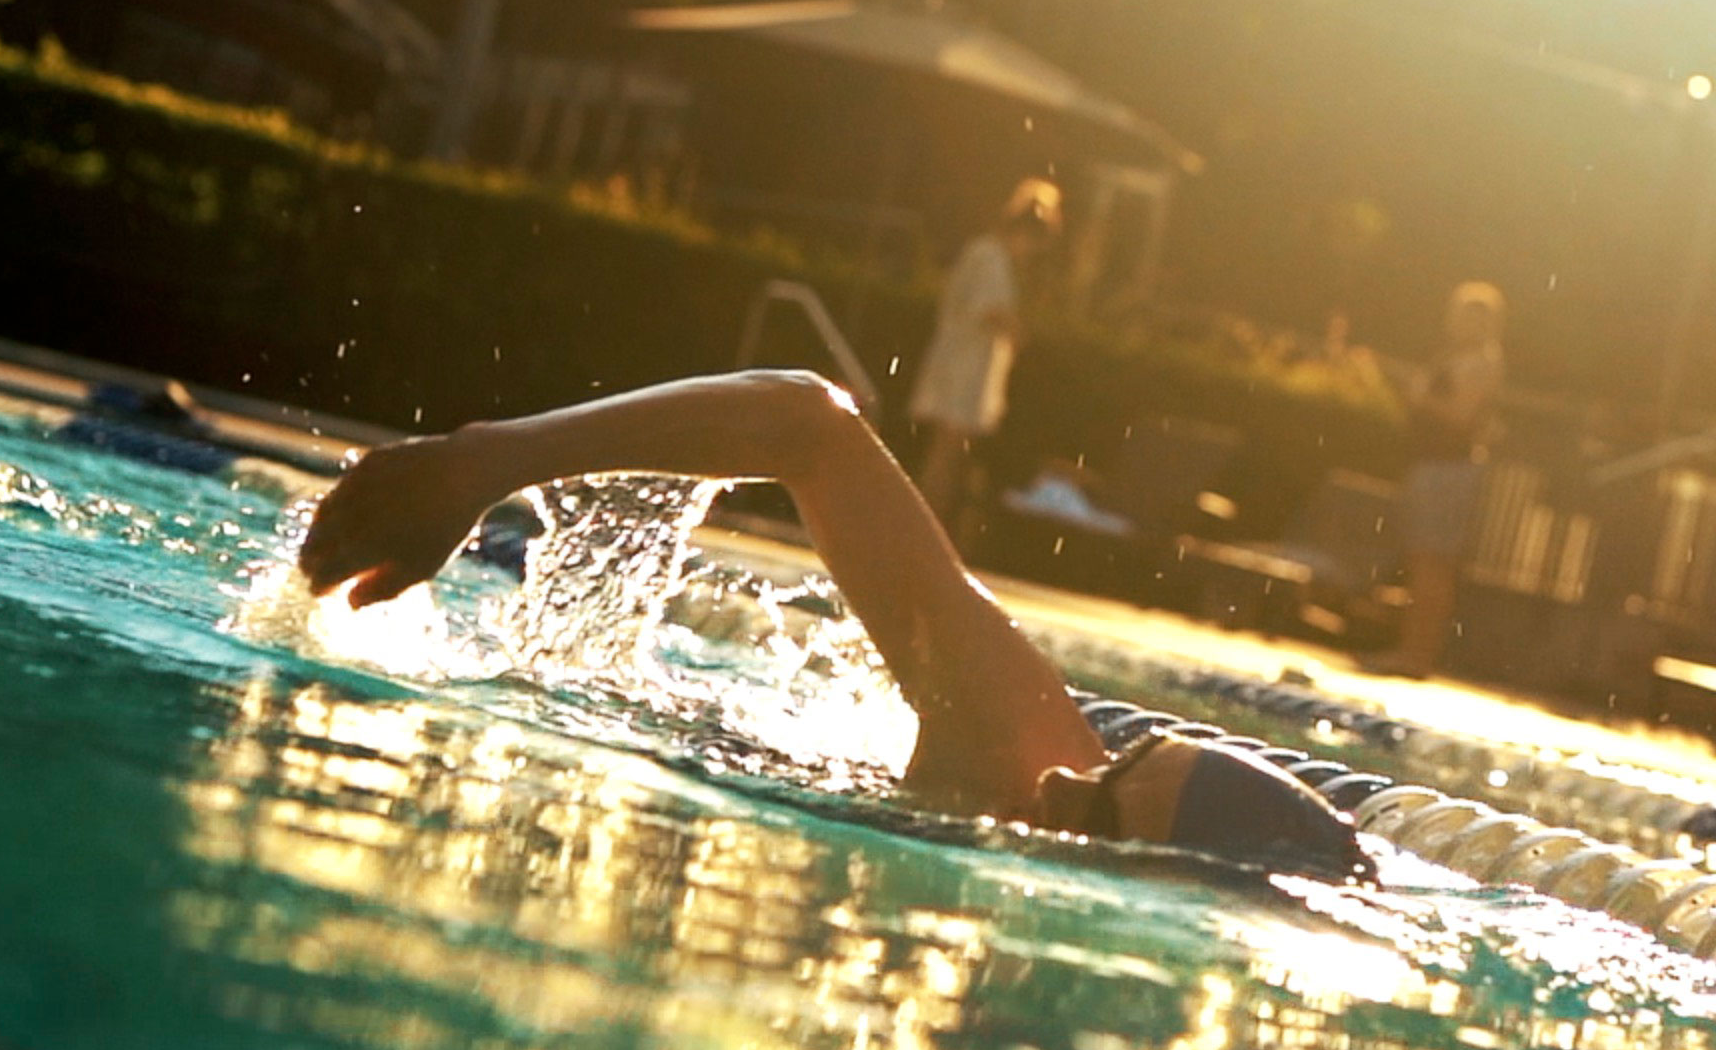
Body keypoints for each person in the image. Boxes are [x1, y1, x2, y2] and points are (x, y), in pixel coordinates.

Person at [293, 367, 1370, 879]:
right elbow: (804, 421)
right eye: (1113, 760)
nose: (1058, 779)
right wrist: (489, 462)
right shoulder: (1016, 750)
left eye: (1096, 814)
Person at [910, 178, 1060, 533]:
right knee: (946, 454)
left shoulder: (986, 254)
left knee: (948, 452)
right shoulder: (990, 257)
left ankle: (928, 524)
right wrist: (1019, 335)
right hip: (962, 369)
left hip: (966, 367)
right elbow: (991, 311)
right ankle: (925, 526)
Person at [1391, 282, 1506, 679]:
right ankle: (1408, 650)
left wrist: (1419, 396)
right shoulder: (1454, 357)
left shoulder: (1480, 363)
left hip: (1450, 470)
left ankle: (1418, 655)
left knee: (1434, 564)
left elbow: (1460, 415)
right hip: (1432, 464)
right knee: (1421, 560)